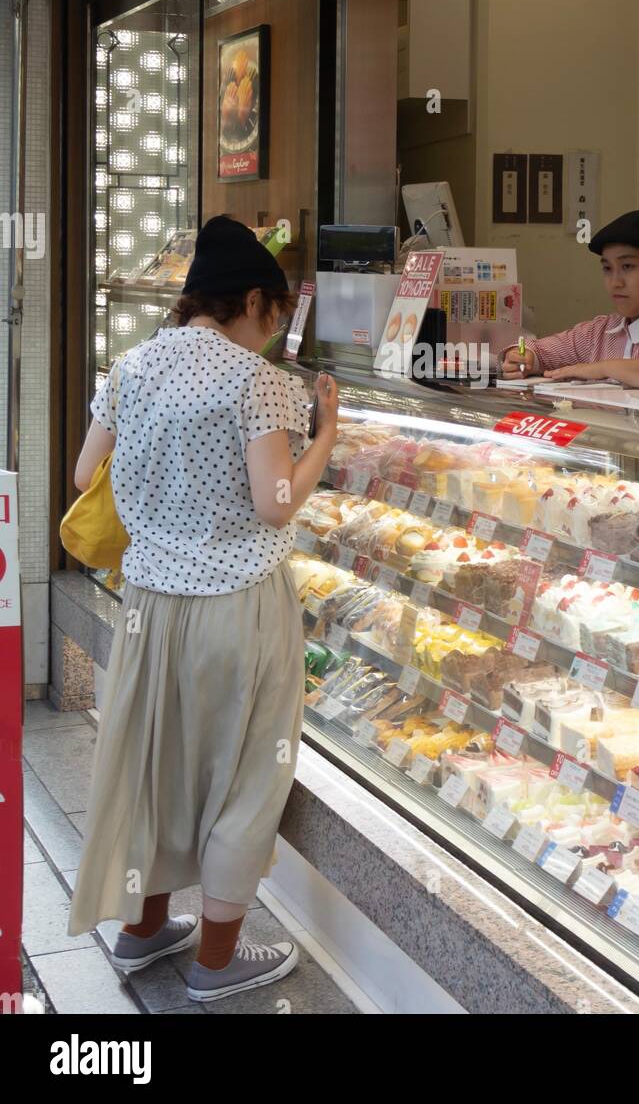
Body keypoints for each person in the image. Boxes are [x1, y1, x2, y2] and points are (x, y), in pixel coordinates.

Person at [67, 215, 338, 1003]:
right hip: (237, 606)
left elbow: (89, 471)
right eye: (275, 315)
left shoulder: (131, 365)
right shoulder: (258, 381)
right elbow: (276, 499)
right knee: (246, 776)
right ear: (253, 299)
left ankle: (142, 930)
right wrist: (326, 436)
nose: (274, 331)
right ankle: (217, 960)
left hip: (148, 606)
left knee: (158, 768)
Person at [501, 210, 639, 389]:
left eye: (628, 266)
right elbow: (540, 350)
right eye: (607, 269)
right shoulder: (600, 331)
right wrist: (524, 357)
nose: (615, 282)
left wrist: (604, 368)